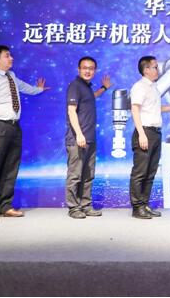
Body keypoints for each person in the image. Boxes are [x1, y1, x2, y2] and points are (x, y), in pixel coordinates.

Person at [0, 45, 48, 221]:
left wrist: (38, 89)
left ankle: (5, 205)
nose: (11, 58)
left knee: (11, 168)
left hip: (14, 126)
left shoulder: (11, 76)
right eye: (7, 56)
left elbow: (23, 87)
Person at [129, 56, 170, 219]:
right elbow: (135, 110)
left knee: (151, 172)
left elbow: (156, 108)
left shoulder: (154, 88)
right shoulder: (139, 87)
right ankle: (137, 208)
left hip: (155, 133)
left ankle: (145, 205)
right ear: (146, 70)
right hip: (145, 132)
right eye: (155, 67)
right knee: (140, 172)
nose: (158, 70)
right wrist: (141, 134)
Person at [65, 56, 112, 219]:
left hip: (90, 139)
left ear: (95, 71)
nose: (88, 71)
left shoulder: (86, 87)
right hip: (77, 139)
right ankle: (73, 208)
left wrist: (104, 88)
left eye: (91, 68)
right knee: (75, 175)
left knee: (88, 175)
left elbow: (92, 96)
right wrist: (79, 134)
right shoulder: (75, 86)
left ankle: (85, 205)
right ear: (79, 69)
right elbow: (71, 111)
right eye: (85, 68)